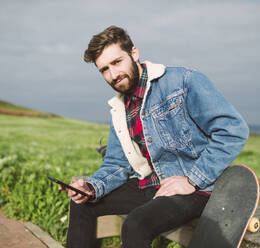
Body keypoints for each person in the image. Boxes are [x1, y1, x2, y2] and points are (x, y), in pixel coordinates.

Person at [62, 25, 249, 248]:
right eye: (104, 69)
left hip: (195, 189)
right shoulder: (119, 108)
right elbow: (116, 164)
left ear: (134, 53)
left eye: (117, 62)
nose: (113, 75)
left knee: (135, 224)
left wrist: (192, 180)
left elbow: (233, 129)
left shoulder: (184, 81)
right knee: (83, 204)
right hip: (153, 186)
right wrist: (91, 187)